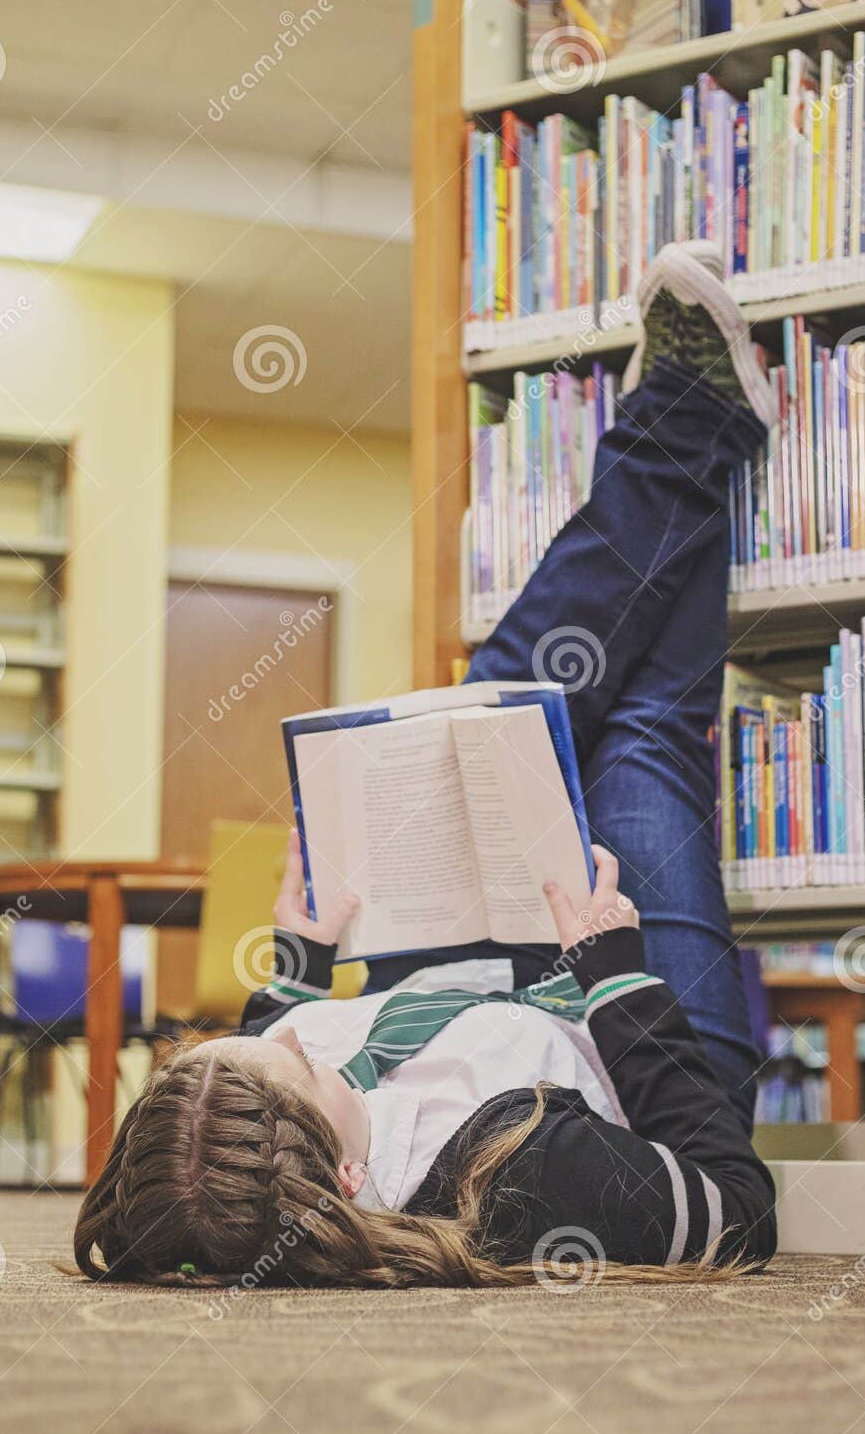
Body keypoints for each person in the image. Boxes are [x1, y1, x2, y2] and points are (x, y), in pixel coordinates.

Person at [74, 242, 778, 1290]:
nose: (301, 1035)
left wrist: (303, 961)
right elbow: (736, 1210)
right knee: (640, 727)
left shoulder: (273, 1133)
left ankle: (687, 426)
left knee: (490, 710)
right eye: (299, 1055)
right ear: (351, 1172)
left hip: (479, 970)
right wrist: (613, 971)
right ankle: (685, 428)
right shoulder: (524, 1179)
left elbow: (266, 1083)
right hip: (640, 1025)